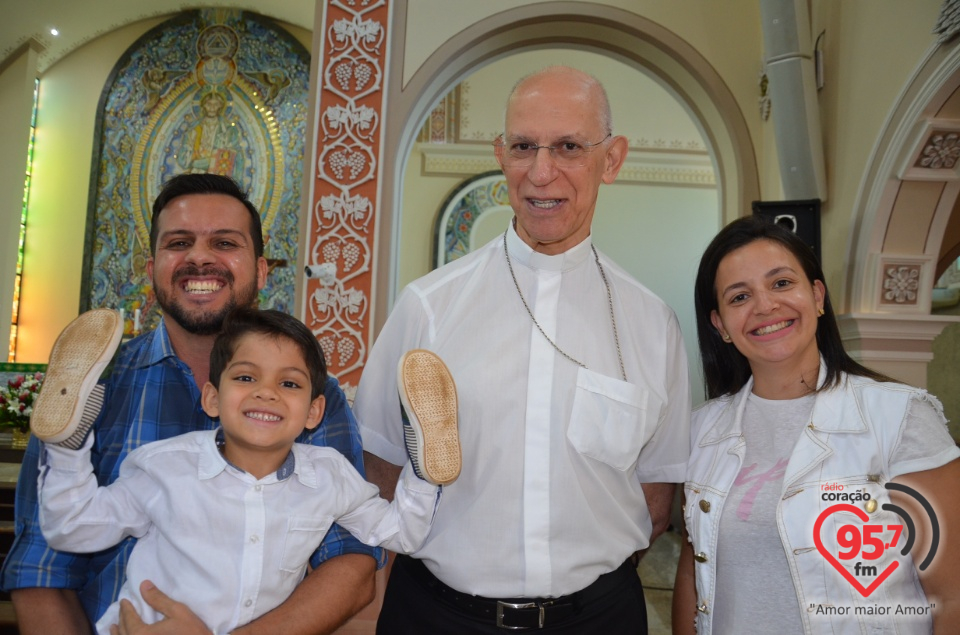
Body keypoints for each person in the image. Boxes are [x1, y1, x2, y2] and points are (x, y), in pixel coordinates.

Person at [355, 66, 691, 633]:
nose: (542, 171)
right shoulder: (429, 305)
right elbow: (380, 465)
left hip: (598, 619)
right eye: (523, 146)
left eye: (568, 147)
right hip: (438, 614)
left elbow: (655, 498)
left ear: (611, 159)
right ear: (501, 154)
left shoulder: (652, 321)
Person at [1, 173, 383, 634]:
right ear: (152, 270)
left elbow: (351, 563)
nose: (199, 257)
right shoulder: (89, 390)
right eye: (179, 242)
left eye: (224, 243)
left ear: (261, 271)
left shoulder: (313, 401)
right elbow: (41, 569)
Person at [31, 307, 456, 635]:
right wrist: (67, 452)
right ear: (212, 399)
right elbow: (73, 527)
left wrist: (423, 474)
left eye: (289, 383)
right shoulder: (165, 467)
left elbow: (400, 533)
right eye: (246, 377)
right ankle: (68, 426)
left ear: (314, 411)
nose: (266, 392)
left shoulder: (329, 476)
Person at [672, 216, 960, 633]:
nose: (765, 306)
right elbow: (691, 570)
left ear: (817, 295)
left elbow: (951, 594)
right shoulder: (701, 431)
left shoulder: (901, 418)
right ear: (721, 326)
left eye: (782, 283)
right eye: (739, 297)